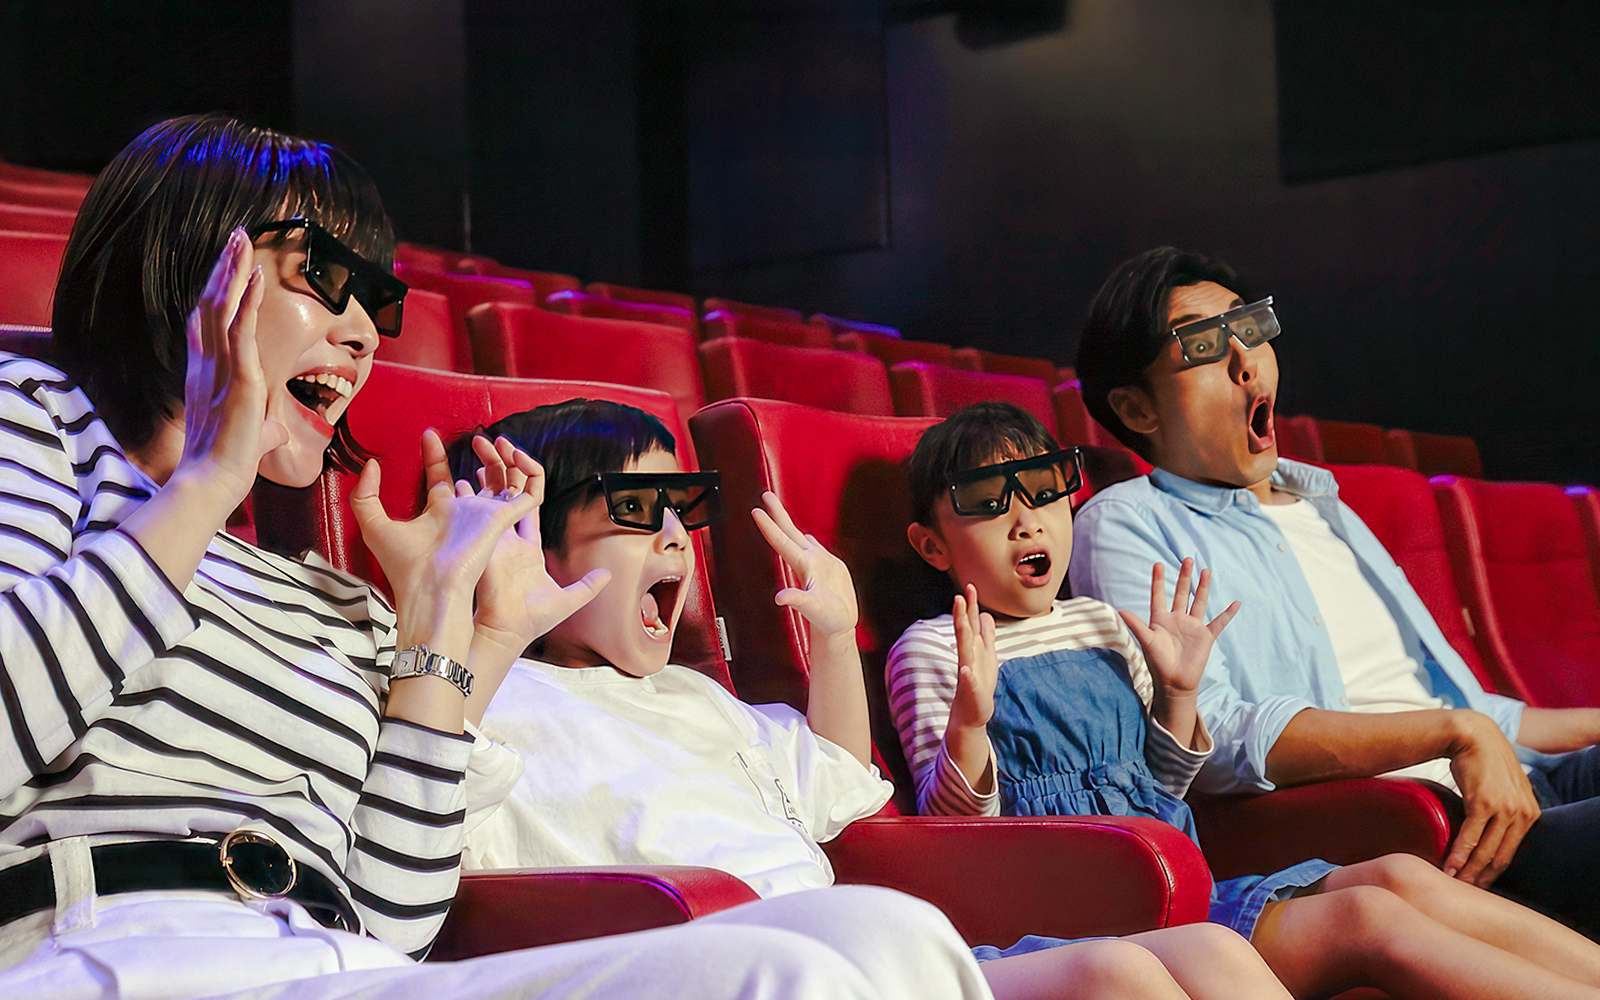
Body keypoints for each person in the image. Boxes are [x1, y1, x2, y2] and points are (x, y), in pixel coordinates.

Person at [0, 113, 1000, 1000]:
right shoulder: (35, 424)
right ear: (183, 259)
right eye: (326, 277)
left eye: (378, 306)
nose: (361, 333)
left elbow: (392, 911)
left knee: (883, 928)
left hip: (327, 957)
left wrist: (447, 622)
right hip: (103, 942)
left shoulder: (326, 601)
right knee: (786, 975)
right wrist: (207, 485)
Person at [450, 398, 1299, 1000]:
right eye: (637, 509)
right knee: (1117, 979)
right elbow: (442, 831)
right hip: (752, 968)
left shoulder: (696, 696)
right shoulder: (500, 703)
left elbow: (840, 781)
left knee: (1210, 952)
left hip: (864, 954)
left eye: (684, 507)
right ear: (534, 545)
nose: (675, 535)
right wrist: (484, 618)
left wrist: (832, 632)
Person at [889, 399, 1600, 998]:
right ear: (932, 546)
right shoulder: (933, 647)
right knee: (1369, 923)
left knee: (1398, 878)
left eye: (1044, 489)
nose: (1027, 520)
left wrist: (1179, 691)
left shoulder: (1102, 623)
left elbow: (1160, 786)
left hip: (1178, 881)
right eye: (987, 503)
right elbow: (955, 833)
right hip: (1077, 905)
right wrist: (970, 727)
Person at [1067, 246, 1600, 937]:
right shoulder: (1129, 521)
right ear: (1136, 408)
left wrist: (1533, 725)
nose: (1245, 361)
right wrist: (1455, 732)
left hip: (1511, 782)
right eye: (1203, 344)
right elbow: (1216, 735)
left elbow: (1474, 713)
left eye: (1250, 329)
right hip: (1422, 828)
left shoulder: (1325, 506)